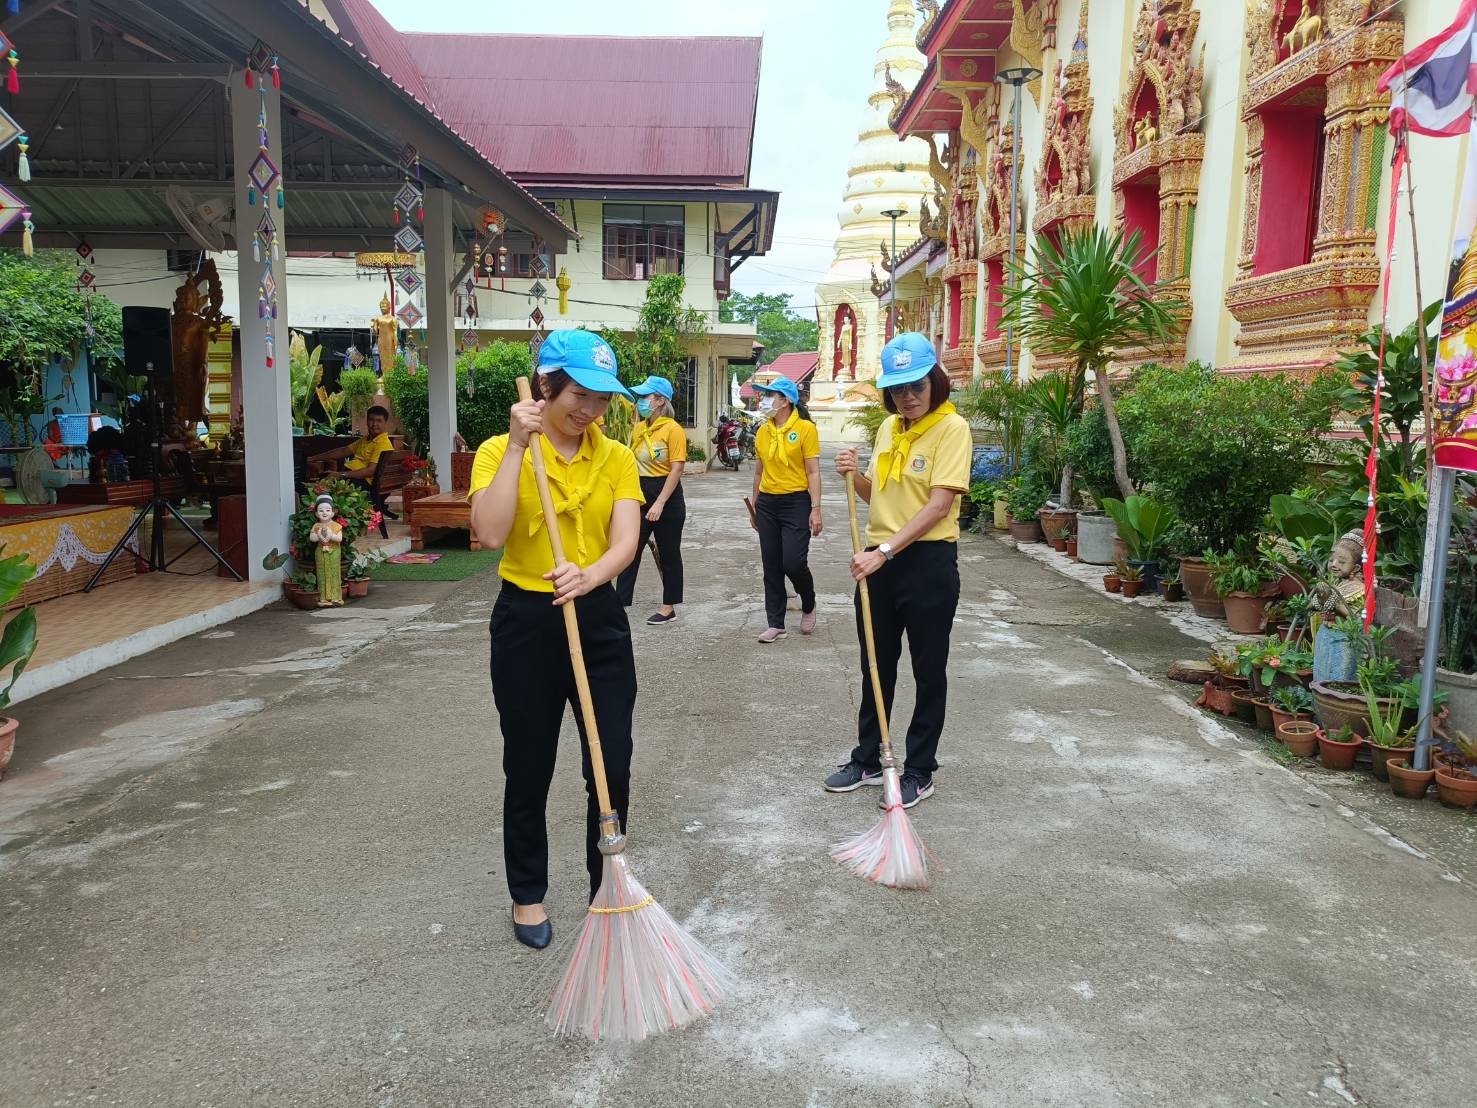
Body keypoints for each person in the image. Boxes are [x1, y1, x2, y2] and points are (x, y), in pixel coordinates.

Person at [467, 329, 644, 951]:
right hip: (526, 622)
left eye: (601, 398)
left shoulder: (616, 457)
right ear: (545, 387)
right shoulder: (498, 450)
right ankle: (527, 893)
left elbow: (626, 541)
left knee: (611, 761)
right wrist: (519, 447)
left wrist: (590, 576)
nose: (590, 409)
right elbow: (490, 535)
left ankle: (607, 888)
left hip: (597, 619)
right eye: (578, 395)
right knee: (529, 762)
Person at [823, 332, 971, 809]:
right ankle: (868, 757)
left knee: (929, 671)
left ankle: (920, 770)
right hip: (879, 561)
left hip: (926, 563)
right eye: (898, 388)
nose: (908, 396)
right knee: (875, 664)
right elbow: (879, 498)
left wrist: (884, 552)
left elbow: (938, 505)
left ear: (935, 381)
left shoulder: (953, 429)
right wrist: (854, 476)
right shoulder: (889, 428)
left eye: (917, 385)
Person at [751, 376, 822, 643]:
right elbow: (759, 472)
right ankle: (776, 623)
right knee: (771, 564)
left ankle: (808, 601)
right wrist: (755, 503)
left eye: (770, 395)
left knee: (793, 561)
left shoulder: (805, 429)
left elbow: (813, 471)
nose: (764, 400)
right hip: (768, 503)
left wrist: (816, 508)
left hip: (796, 502)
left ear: (786, 401)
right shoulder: (763, 431)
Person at [615, 375, 688, 625]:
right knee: (629, 549)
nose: (640, 401)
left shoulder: (673, 430)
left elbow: (677, 469)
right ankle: (619, 603)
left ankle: (669, 607)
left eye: (645, 396)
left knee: (669, 552)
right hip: (640, 492)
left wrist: (660, 503)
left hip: (666, 494)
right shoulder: (639, 428)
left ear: (659, 400)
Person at [308, 405, 393, 479]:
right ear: (367, 421)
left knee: (319, 485)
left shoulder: (382, 444)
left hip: (360, 481)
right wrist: (313, 458)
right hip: (350, 476)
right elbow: (343, 451)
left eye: (379, 421)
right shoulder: (366, 439)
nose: (374, 424)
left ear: (385, 423)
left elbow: (370, 471)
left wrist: (341, 475)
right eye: (371, 420)